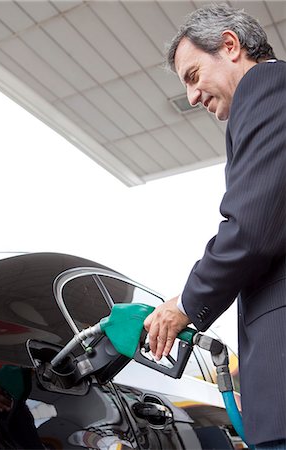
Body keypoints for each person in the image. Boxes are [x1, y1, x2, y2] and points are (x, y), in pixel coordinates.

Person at [144, 4, 286, 449]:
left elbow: (252, 226)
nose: (191, 97)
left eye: (192, 76)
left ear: (230, 46)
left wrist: (185, 303)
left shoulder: (267, 87)